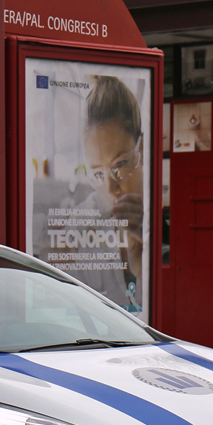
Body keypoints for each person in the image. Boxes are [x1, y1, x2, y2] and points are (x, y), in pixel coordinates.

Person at [83, 76, 145, 311]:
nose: (110, 189)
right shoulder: (80, 227)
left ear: (142, 150)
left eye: (120, 165)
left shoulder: (160, 227)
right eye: (98, 174)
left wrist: (142, 264)